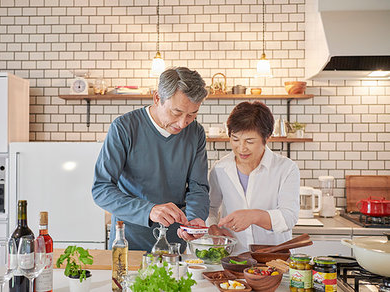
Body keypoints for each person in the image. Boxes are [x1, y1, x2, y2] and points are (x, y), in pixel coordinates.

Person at [92, 67, 210, 252]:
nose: (182, 123)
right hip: (129, 242)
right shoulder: (124, 128)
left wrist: (195, 218)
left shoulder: (195, 133)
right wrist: (149, 210)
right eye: (176, 112)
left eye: (192, 114)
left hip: (175, 244)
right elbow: (101, 189)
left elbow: (198, 187)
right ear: (157, 98)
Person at [207, 101, 300, 254]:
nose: (241, 148)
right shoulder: (220, 168)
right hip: (234, 258)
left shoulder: (286, 169)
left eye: (249, 141)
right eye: (235, 139)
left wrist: (254, 216)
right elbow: (210, 208)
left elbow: (288, 217)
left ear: (267, 137)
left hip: (274, 260)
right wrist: (214, 227)